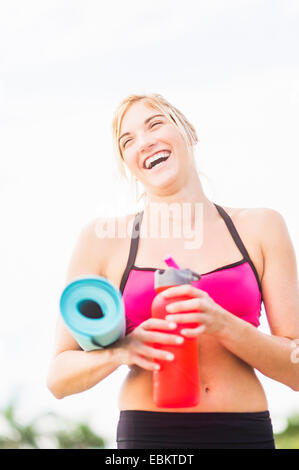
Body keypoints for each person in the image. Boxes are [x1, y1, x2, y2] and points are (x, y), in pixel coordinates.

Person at [47, 93, 299, 449]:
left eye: (155, 123)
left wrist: (223, 324)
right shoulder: (102, 240)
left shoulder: (261, 227)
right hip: (149, 437)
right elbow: (58, 378)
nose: (145, 141)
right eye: (127, 140)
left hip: (245, 433)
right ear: (128, 164)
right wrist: (123, 350)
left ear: (188, 132)